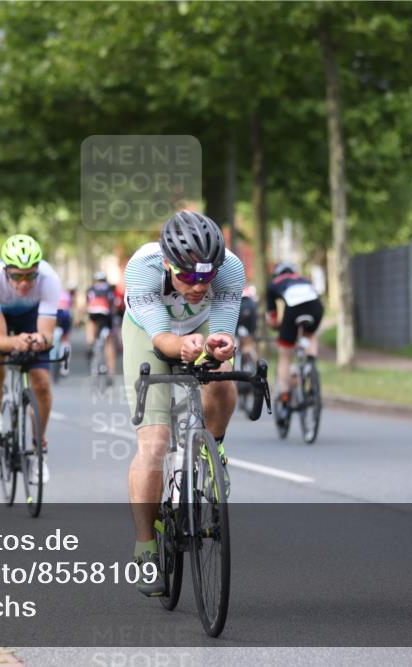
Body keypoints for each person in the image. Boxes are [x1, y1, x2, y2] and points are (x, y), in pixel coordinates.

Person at [122, 211, 244, 596]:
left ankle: (215, 447)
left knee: (222, 372)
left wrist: (219, 345)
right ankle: (145, 548)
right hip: (150, 333)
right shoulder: (142, 268)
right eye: (188, 276)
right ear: (167, 263)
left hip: (201, 326)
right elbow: (162, 342)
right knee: (155, 442)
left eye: (205, 277)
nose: (197, 285)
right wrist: (183, 346)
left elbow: (223, 332)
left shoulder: (230, 269)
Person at [0, 234, 62, 483]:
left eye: (30, 275)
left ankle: (38, 449)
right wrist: (14, 342)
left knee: (42, 384)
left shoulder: (49, 280)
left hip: (30, 314)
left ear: (38, 270)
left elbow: (47, 335)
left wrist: (36, 341)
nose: (24, 282)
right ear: (5, 272)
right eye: (16, 276)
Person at [265, 261, 324, 426]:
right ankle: (311, 363)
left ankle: (284, 399)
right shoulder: (304, 279)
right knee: (310, 334)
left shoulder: (273, 284)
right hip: (316, 307)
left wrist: (276, 325)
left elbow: (272, 318)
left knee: (285, 356)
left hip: (293, 311)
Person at [85, 270, 119, 380]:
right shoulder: (110, 289)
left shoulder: (91, 289)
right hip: (107, 315)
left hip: (93, 312)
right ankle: (111, 373)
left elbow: (87, 305)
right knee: (109, 343)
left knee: (90, 322)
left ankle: (90, 342)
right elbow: (114, 305)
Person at [236, 284, 259, 368]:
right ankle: (256, 369)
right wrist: (253, 331)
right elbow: (254, 321)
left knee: (234, 344)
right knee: (249, 346)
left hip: (236, 310)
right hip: (249, 313)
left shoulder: (237, 289)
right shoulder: (251, 293)